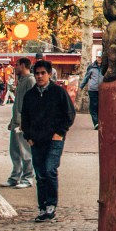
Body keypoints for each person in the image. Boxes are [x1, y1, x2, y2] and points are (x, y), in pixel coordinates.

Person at [20, 60, 75, 222]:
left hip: (54, 139)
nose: (39, 76)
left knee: (50, 170)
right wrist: (28, 136)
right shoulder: (30, 95)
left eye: (43, 73)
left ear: (49, 74)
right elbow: (25, 117)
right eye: (37, 73)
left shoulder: (58, 92)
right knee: (40, 174)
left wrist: (60, 133)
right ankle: (43, 207)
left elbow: (69, 114)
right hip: (36, 140)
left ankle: (51, 206)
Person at [0, 58, 36, 188]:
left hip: (24, 123)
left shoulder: (30, 80)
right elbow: (17, 103)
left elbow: (31, 103)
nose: (15, 67)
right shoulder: (21, 81)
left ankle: (28, 178)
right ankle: (15, 176)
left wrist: (26, 121)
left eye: (16, 65)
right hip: (17, 121)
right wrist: (12, 120)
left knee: (25, 151)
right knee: (15, 150)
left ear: (22, 65)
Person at [79, 48, 103, 129]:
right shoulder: (91, 67)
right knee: (93, 106)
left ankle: (100, 122)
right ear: (96, 58)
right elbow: (86, 77)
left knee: (101, 106)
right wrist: (81, 86)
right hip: (92, 89)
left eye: (101, 58)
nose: (100, 59)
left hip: (102, 90)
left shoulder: (105, 67)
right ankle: (96, 123)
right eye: (98, 57)